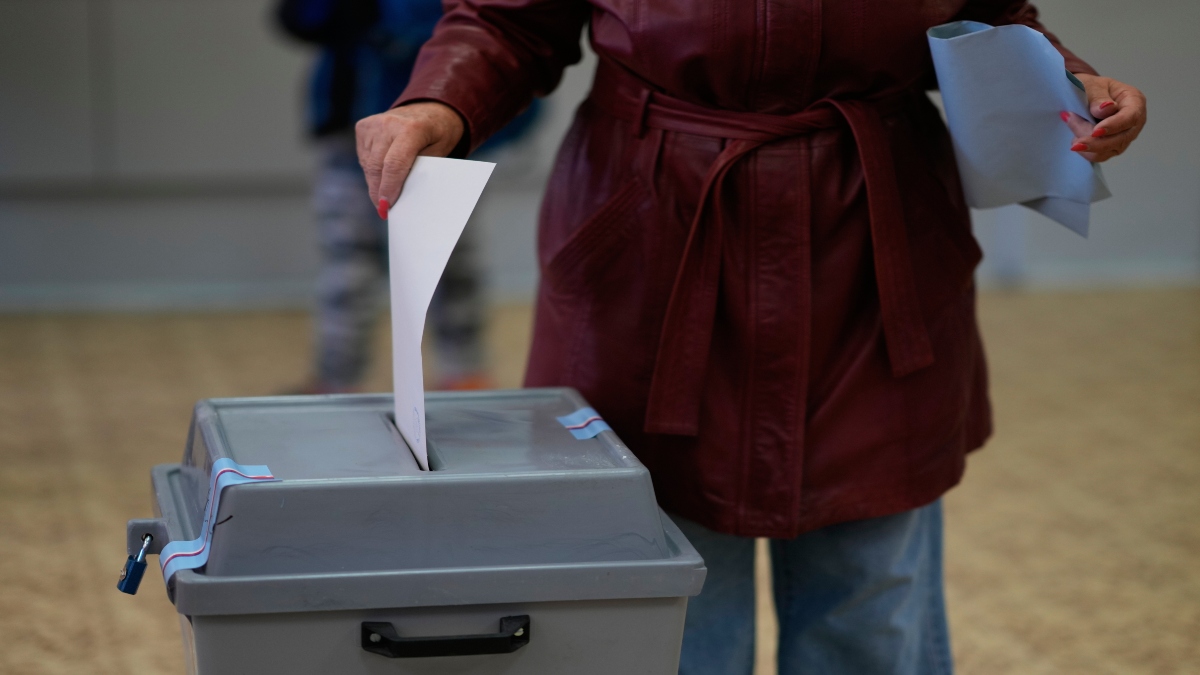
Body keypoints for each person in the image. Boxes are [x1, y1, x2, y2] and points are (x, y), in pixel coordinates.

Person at [353, 2, 1147, 673]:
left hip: (874, 235)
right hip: (654, 227)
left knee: (871, 588)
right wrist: (439, 104)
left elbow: (989, 17)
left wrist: (1071, 84)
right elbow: (509, 16)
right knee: (669, 589)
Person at [276, 0, 539, 392]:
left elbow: (484, 32)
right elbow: (300, 20)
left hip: (434, 132)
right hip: (349, 130)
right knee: (347, 264)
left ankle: (462, 373)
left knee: (445, 261)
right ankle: (336, 377)